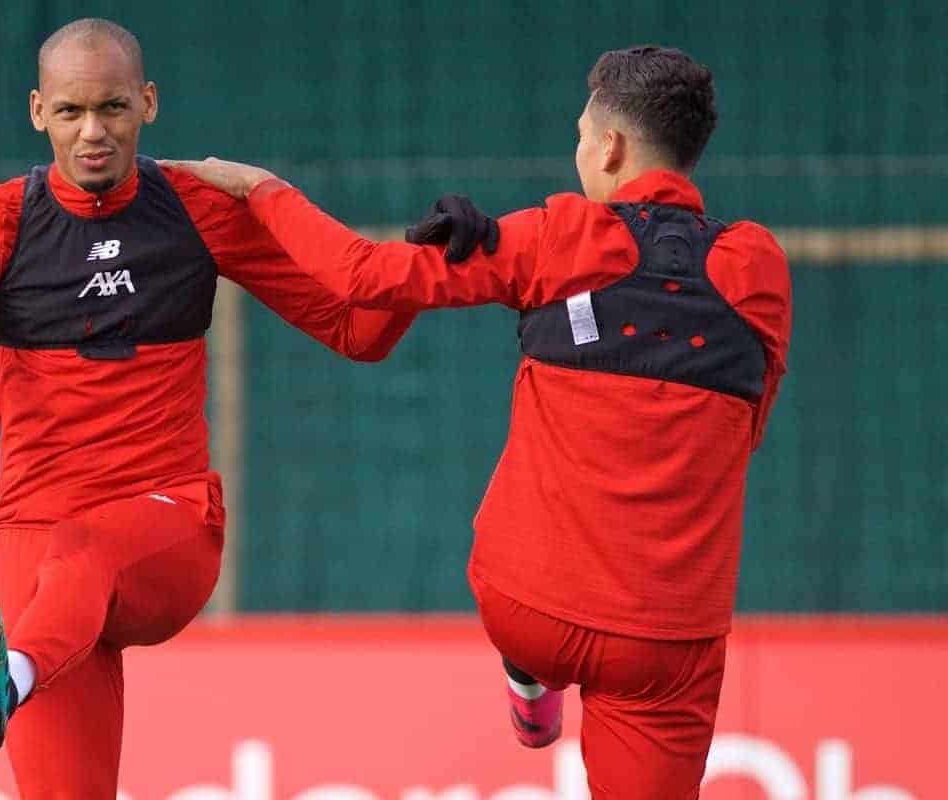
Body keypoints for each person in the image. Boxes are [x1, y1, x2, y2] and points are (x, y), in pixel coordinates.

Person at [164, 45, 792, 800]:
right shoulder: (758, 264)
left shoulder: (561, 235)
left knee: (520, 567)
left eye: (580, 136)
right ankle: (538, 679)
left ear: (612, 147)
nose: (578, 152)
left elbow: (360, 275)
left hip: (529, 607)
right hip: (667, 639)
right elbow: (747, 424)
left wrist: (263, 189)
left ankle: (530, 679)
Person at [0, 17, 422, 799]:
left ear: (148, 103)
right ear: (36, 112)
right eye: (70, 112)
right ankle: (16, 669)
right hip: (35, 542)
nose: (93, 132)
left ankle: (8, 676)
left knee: (83, 556)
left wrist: (414, 272)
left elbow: (355, 331)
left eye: (114, 108)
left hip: (165, 525)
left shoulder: (197, 207)